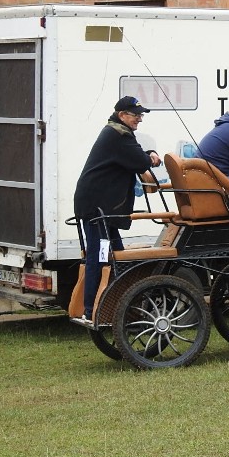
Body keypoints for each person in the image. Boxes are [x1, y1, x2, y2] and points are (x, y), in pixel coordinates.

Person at [73, 96, 162, 322]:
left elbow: (136, 155)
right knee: (100, 256)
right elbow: (140, 161)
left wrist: (146, 154)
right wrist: (151, 157)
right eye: (136, 115)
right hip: (97, 209)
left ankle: (119, 303)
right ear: (122, 115)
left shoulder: (117, 132)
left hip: (103, 208)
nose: (139, 119)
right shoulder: (118, 135)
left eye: (141, 115)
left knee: (116, 255)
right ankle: (91, 309)